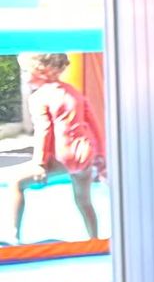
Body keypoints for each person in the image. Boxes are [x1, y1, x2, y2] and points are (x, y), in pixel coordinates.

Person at [7, 55, 106, 243]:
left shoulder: (39, 97)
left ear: (40, 72)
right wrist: (100, 154)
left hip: (64, 155)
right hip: (84, 154)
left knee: (16, 184)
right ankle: (94, 240)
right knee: (83, 200)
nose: (25, 76)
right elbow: (93, 123)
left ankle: (14, 240)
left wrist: (40, 163)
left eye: (26, 71)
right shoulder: (74, 92)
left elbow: (44, 131)